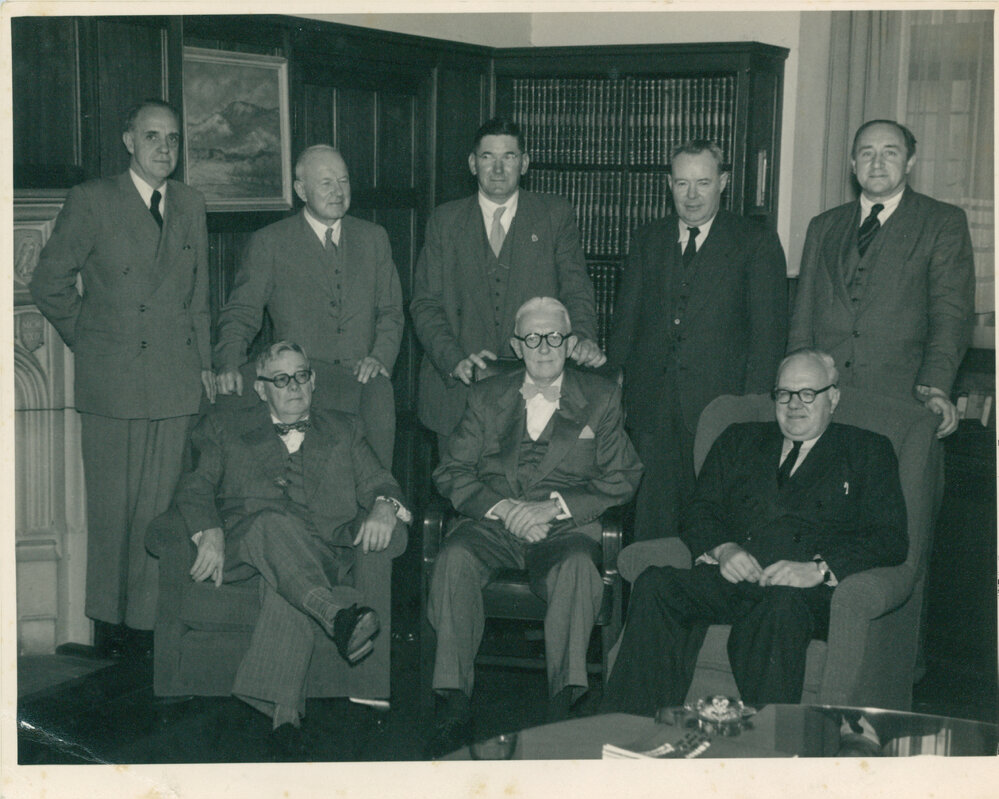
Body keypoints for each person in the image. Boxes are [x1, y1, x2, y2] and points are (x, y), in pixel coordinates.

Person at [601, 349, 907, 716]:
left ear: (833, 398)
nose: (794, 405)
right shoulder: (739, 439)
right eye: (784, 394)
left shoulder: (867, 451)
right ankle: (632, 731)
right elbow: (699, 510)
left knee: (779, 606)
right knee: (656, 584)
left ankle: (766, 750)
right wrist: (723, 549)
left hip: (801, 595)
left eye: (808, 393)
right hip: (733, 576)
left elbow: (890, 537)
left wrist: (818, 569)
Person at [29, 99, 215, 658]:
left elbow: (199, 299)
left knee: (162, 509)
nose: (165, 148)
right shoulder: (93, 200)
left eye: (174, 139)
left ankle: (149, 632)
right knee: (113, 512)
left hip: (176, 379)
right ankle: (110, 631)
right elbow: (48, 283)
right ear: (128, 141)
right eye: (153, 137)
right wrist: (93, 340)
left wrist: (204, 366)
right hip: (113, 382)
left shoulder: (191, 203)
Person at [425, 297, 642, 757]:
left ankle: (564, 703)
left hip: (563, 530)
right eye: (533, 339)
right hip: (493, 525)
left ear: (570, 342)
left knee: (579, 570)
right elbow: (451, 472)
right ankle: (453, 701)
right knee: (453, 558)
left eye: (555, 338)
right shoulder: (486, 395)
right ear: (516, 345)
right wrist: (504, 508)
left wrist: (555, 508)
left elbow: (623, 476)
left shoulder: (601, 396)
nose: (544, 348)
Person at [173, 341, 411, 749]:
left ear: (313, 381)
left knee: (286, 581)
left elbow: (381, 482)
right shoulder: (224, 427)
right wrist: (207, 530)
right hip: (246, 547)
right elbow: (194, 488)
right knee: (270, 522)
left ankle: (283, 716)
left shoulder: (345, 427)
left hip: (320, 556)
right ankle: (338, 617)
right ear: (261, 389)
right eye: (280, 380)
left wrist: (386, 507)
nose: (294, 386)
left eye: (301, 376)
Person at [608, 140, 787, 542]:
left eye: (703, 183)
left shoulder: (755, 242)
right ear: (668, 184)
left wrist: (752, 411)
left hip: (720, 408)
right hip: (651, 408)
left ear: (723, 182)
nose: (691, 196)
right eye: (682, 184)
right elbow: (625, 325)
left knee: (711, 522)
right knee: (650, 525)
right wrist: (613, 393)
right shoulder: (647, 239)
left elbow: (768, 338)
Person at [411, 117, 605, 446]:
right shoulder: (445, 221)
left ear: (525, 163)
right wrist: (455, 360)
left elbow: (577, 291)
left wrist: (583, 337)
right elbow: (425, 304)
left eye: (509, 157)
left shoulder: (554, 215)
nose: (498, 169)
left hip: (535, 391)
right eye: (488, 157)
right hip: (460, 395)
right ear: (473, 164)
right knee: (463, 493)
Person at [214, 145, 404, 467]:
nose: (338, 192)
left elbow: (391, 312)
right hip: (301, 390)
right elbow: (241, 314)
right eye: (326, 183)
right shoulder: (270, 243)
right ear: (301, 190)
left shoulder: (374, 238)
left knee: (373, 481)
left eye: (343, 181)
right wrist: (230, 361)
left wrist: (380, 358)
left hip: (363, 389)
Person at [789, 119, 975, 441]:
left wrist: (935, 388)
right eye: (866, 154)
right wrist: (796, 387)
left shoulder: (942, 223)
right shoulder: (823, 226)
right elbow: (802, 317)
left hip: (901, 399)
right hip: (824, 400)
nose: (876, 163)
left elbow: (950, 316)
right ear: (852, 164)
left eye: (890, 153)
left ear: (910, 162)